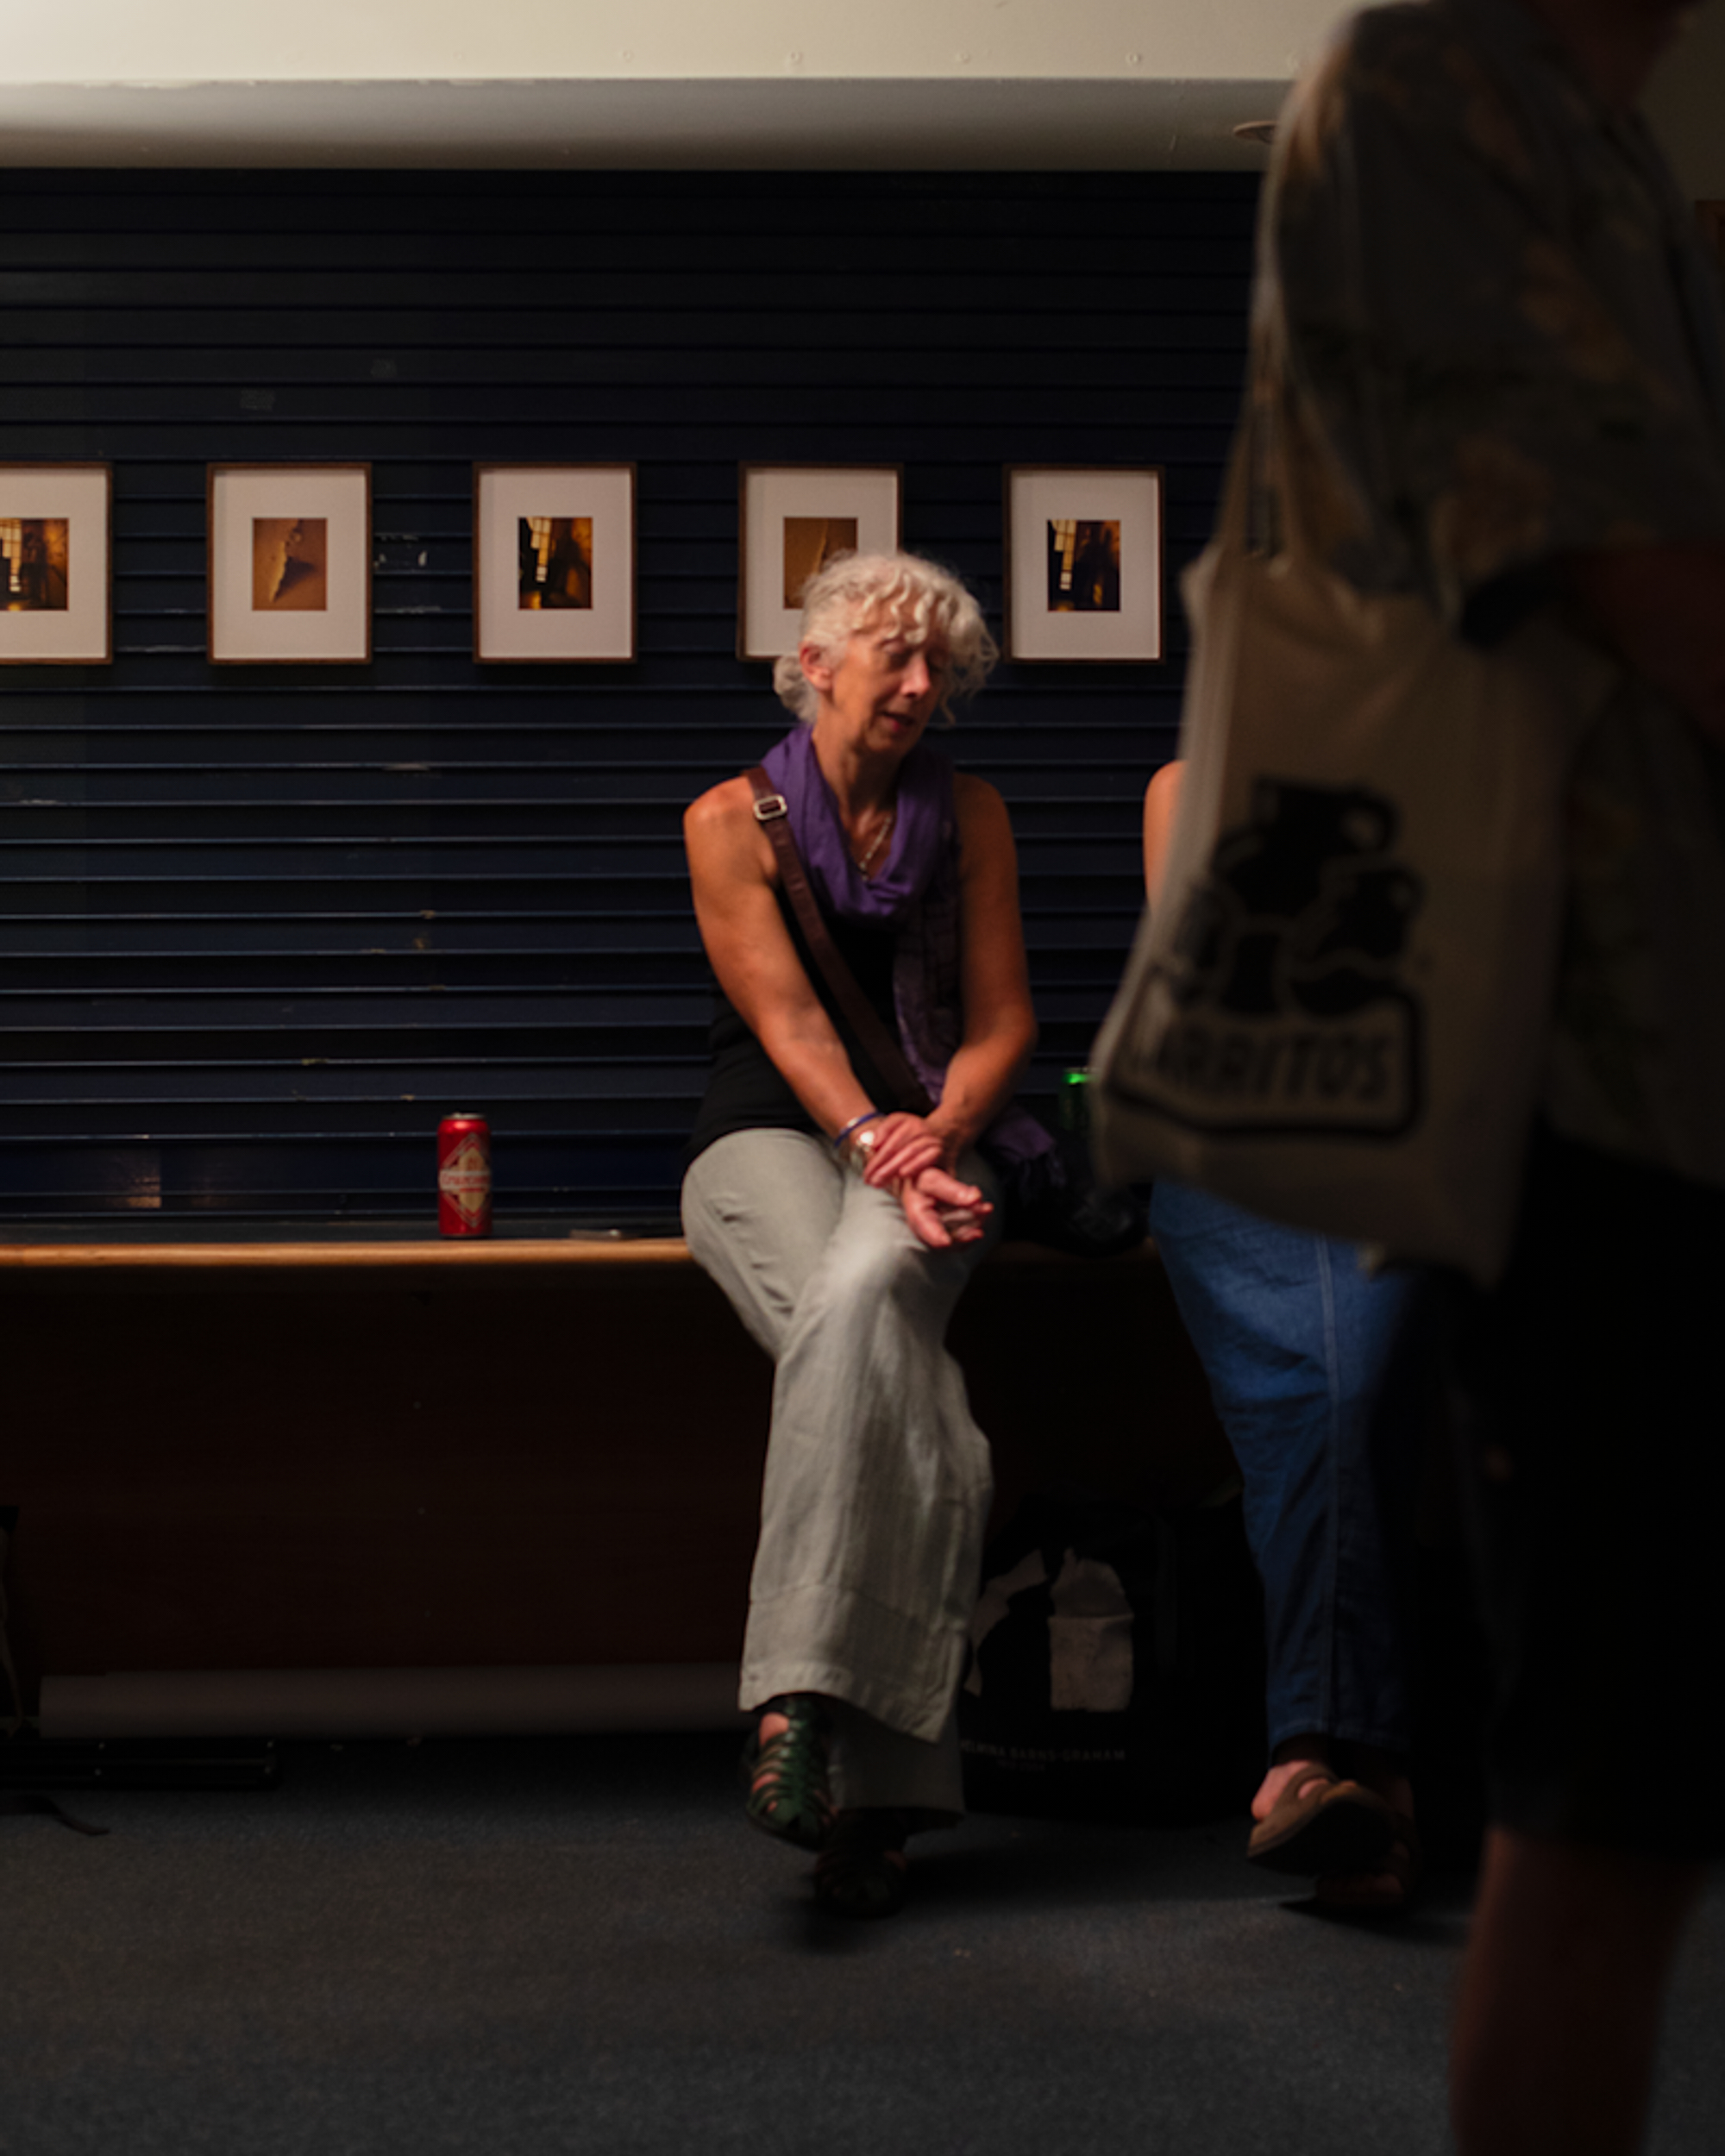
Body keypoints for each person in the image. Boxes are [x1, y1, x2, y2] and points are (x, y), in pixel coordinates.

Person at [1247, 0, 1725, 2145]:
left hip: (1675, 1051)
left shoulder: (1621, 163)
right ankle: (1327, 1741)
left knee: (1643, 1788)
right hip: (1589, 1079)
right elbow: (1641, 584)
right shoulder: (1428, 89)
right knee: (1607, 1801)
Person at [680, 550, 1047, 1918]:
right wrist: (873, 1139)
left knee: (863, 1305)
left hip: (940, 1147)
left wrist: (936, 1136)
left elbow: (1003, 1022)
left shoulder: (975, 813)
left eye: (937, 664)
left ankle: (794, 1708)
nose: (917, 681)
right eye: (894, 653)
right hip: (766, 1138)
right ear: (815, 664)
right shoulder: (727, 819)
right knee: (899, 1377)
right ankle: (885, 1803)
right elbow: (785, 1022)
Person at [1143, 761, 1424, 1914]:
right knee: (1308, 1398)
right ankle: (1365, 1775)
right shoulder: (1189, 788)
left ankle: (1322, 1765)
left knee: (1358, 1393)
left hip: (1396, 1150)